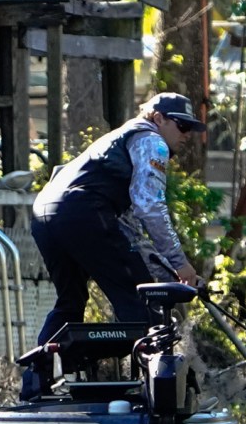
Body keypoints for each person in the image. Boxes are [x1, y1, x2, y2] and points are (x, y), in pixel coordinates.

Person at [30, 92, 205, 348]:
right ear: (158, 118)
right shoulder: (151, 140)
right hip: (82, 212)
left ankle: (43, 370)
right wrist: (180, 264)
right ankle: (145, 369)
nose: (187, 134)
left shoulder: (117, 139)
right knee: (142, 297)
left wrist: (167, 269)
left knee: (70, 302)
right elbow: (150, 206)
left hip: (44, 213)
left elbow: (130, 231)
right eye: (182, 125)